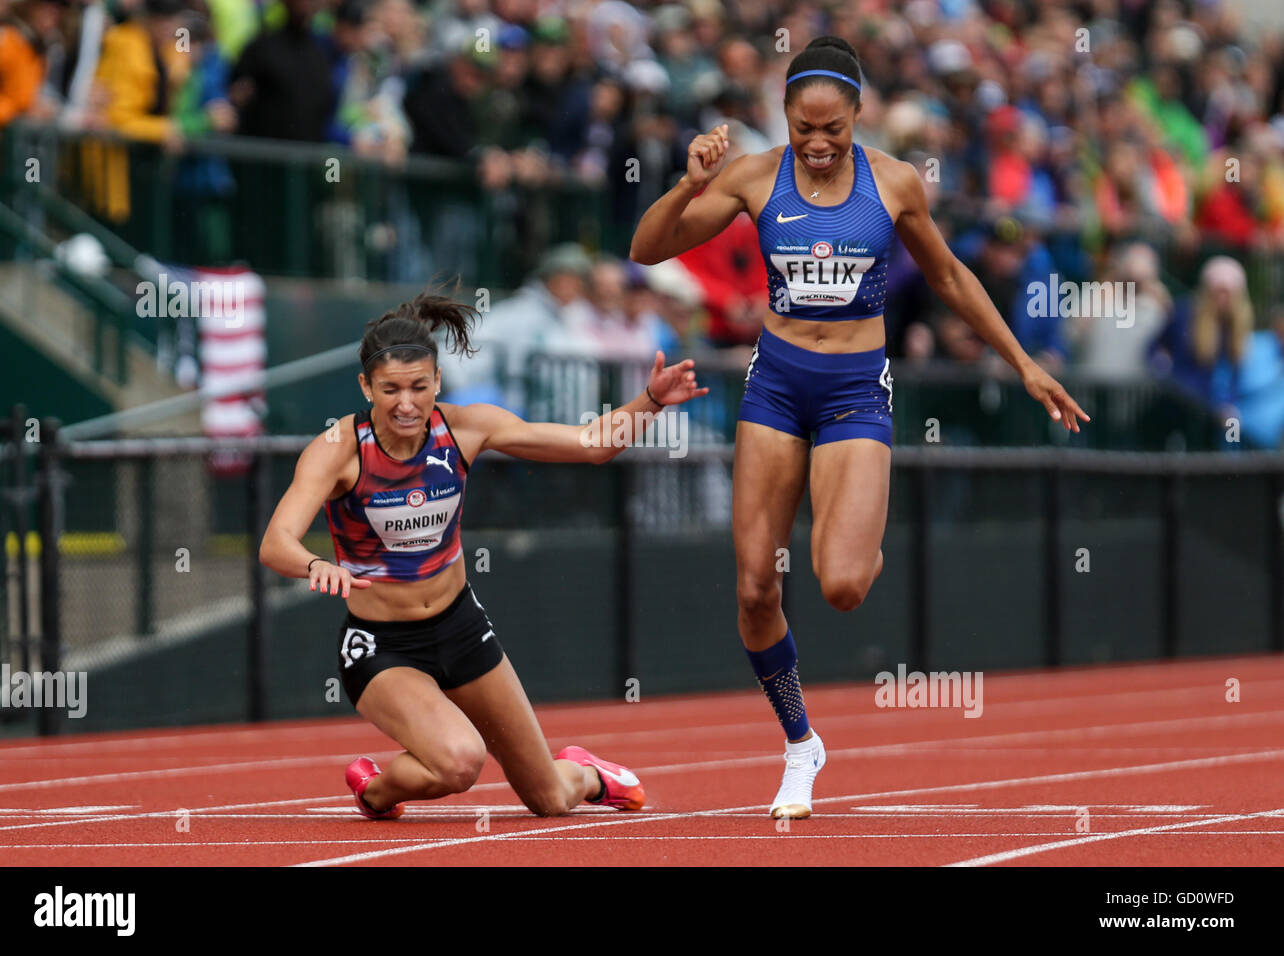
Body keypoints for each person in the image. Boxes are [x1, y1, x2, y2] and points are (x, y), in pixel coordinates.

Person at [629, 36, 1089, 819]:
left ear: (857, 115)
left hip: (852, 389)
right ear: (783, 115)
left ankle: (862, 519)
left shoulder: (896, 183)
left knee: (840, 584)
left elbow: (947, 275)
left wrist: (1022, 363)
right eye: (803, 128)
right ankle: (801, 742)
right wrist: (686, 184)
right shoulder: (752, 175)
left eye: (832, 129)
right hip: (775, 384)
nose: (815, 144)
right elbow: (646, 249)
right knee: (752, 588)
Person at [258, 290, 707, 818]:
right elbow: (275, 542)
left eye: (419, 387)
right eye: (390, 390)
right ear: (366, 387)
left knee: (551, 800)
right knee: (459, 762)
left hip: (462, 629)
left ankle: (585, 773)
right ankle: (377, 790)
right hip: (382, 646)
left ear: (438, 382)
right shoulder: (338, 450)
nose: (406, 404)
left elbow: (592, 444)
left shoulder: (465, 428)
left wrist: (648, 401)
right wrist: (315, 565)